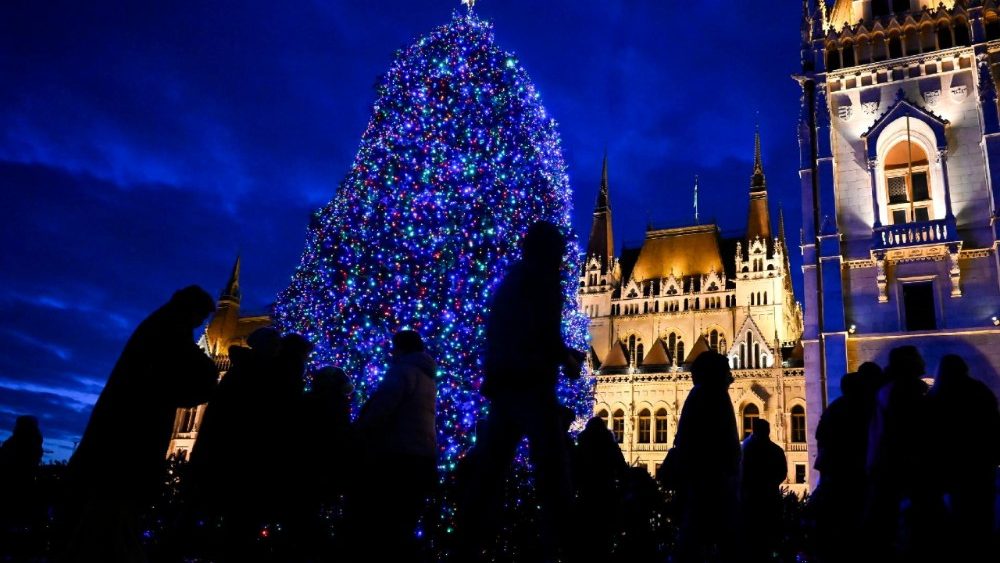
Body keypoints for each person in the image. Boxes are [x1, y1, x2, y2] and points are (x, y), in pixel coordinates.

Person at [458, 221, 584, 562]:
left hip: (503, 383)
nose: (562, 259)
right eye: (559, 251)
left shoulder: (512, 280)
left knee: (489, 469)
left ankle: (465, 542)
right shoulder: (544, 280)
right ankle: (562, 547)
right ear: (550, 252)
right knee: (554, 469)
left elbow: (510, 330)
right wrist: (568, 359)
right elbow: (545, 331)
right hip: (531, 383)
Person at [63, 285, 218, 561]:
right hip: (132, 435)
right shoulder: (171, 330)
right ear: (191, 309)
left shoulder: (161, 325)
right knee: (115, 510)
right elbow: (192, 374)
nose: (199, 324)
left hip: (127, 429)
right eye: (201, 317)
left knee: (107, 511)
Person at [349, 329, 437, 562]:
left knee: (388, 516)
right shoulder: (427, 375)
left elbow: (383, 407)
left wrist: (360, 430)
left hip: (399, 453)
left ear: (401, 347)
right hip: (422, 454)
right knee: (407, 515)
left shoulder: (403, 371)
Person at [924, 354, 1000, 560]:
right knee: (981, 513)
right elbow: (993, 424)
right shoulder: (979, 392)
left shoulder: (935, 397)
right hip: (979, 463)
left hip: (949, 467)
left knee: (956, 514)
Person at [670, 351, 740, 563]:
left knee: (699, 534)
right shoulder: (710, 394)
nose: (731, 377)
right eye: (726, 372)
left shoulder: (702, 393)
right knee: (706, 534)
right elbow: (718, 437)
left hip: (707, 476)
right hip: (709, 478)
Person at [864, 346, 932, 560]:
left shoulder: (889, 390)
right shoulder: (901, 391)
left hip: (888, 468)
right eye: (917, 359)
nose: (923, 363)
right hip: (900, 469)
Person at [812, 362, 882, 562]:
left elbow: (820, 434)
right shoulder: (862, 408)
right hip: (852, 473)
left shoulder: (836, 408)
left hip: (836, 472)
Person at [739, 418, 787, 562]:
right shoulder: (776, 450)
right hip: (769, 500)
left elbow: (741, 473)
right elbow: (782, 473)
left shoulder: (746, 449)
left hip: (751, 501)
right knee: (767, 541)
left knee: (752, 541)